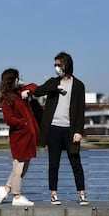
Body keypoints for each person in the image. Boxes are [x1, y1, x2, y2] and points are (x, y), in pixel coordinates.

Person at [34, 51, 89, 206]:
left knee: (75, 162)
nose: (57, 67)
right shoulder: (53, 82)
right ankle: (54, 195)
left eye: (59, 64)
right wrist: (54, 87)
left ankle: (82, 194)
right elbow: (38, 91)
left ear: (67, 64)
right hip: (54, 129)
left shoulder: (78, 85)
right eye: (55, 65)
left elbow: (80, 109)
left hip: (70, 131)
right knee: (54, 164)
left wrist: (79, 131)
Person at [0, 68, 40, 206]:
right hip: (19, 136)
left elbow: (34, 85)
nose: (19, 80)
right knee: (19, 166)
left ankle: (6, 189)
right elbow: (9, 118)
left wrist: (26, 91)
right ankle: (17, 196)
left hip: (27, 136)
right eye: (17, 78)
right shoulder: (6, 98)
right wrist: (24, 123)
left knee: (23, 166)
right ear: (11, 80)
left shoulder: (19, 92)